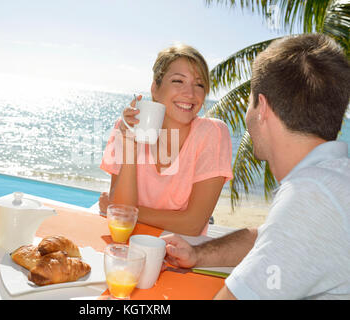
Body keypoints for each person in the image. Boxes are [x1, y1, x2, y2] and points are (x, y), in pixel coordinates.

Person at [162, 33, 350, 300]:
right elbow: (265, 238)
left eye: (250, 101)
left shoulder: (312, 198)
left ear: (261, 107)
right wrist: (197, 254)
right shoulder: (332, 180)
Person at [99, 44, 233, 236]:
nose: (190, 93)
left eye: (199, 84)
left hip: (181, 255)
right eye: (178, 81)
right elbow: (120, 219)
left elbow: (193, 225)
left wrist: (125, 210)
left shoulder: (212, 132)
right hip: (128, 245)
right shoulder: (127, 126)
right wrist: (130, 145)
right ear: (155, 88)